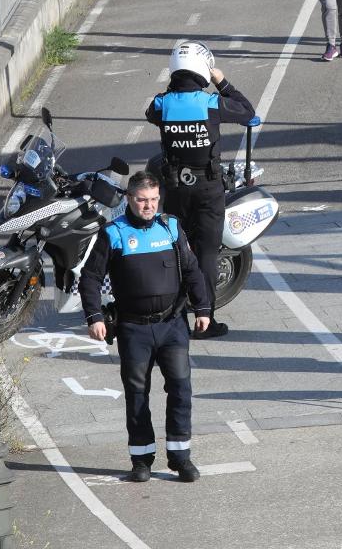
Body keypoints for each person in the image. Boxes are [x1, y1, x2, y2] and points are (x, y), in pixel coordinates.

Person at [80, 172, 212, 483]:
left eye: (153, 199)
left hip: (172, 326)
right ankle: (141, 460)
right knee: (137, 394)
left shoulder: (171, 227)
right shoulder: (113, 233)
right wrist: (94, 316)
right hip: (133, 329)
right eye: (142, 199)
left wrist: (203, 308)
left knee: (180, 388)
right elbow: (90, 278)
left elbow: (192, 271)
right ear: (129, 199)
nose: (148, 205)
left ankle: (181, 458)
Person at [146, 41, 255, 338]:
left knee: (178, 250)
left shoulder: (161, 104)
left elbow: (152, 111)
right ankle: (205, 321)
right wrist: (222, 81)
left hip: (175, 188)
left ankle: (175, 315)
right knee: (206, 253)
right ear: (203, 69)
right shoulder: (210, 103)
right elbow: (247, 111)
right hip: (207, 189)